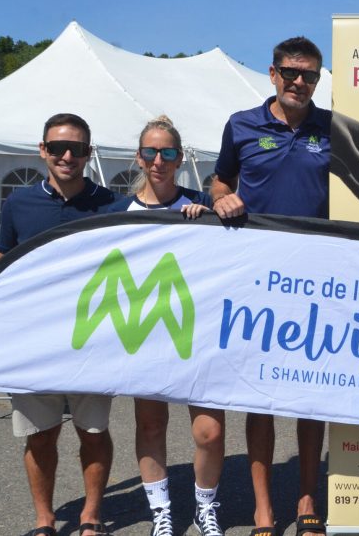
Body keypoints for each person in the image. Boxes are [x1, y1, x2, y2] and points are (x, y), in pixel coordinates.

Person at [0, 113, 117, 536]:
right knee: (40, 436)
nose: (66, 156)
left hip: (92, 340)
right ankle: (44, 520)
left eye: (76, 148)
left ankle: (91, 516)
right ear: (42, 150)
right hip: (32, 339)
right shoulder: (19, 203)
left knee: (93, 432)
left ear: (89, 153)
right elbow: (0, 260)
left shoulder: (112, 204)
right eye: (57, 147)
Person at [210, 36, 329, 536]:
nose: (299, 81)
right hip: (257, 280)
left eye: (309, 75)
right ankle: (263, 510)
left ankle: (306, 499)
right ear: (273, 73)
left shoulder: (334, 129)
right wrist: (221, 197)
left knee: (310, 396)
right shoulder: (241, 124)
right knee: (259, 396)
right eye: (291, 72)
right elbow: (220, 181)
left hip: (320, 281)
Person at [104, 116, 223, 536]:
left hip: (198, 334)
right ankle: (161, 512)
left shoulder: (200, 203)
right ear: (139, 157)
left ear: (179, 158)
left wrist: (210, 219)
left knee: (209, 432)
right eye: (151, 152)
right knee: (151, 425)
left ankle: (205, 508)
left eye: (168, 152)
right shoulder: (117, 212)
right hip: (146, 334)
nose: (159, 160)